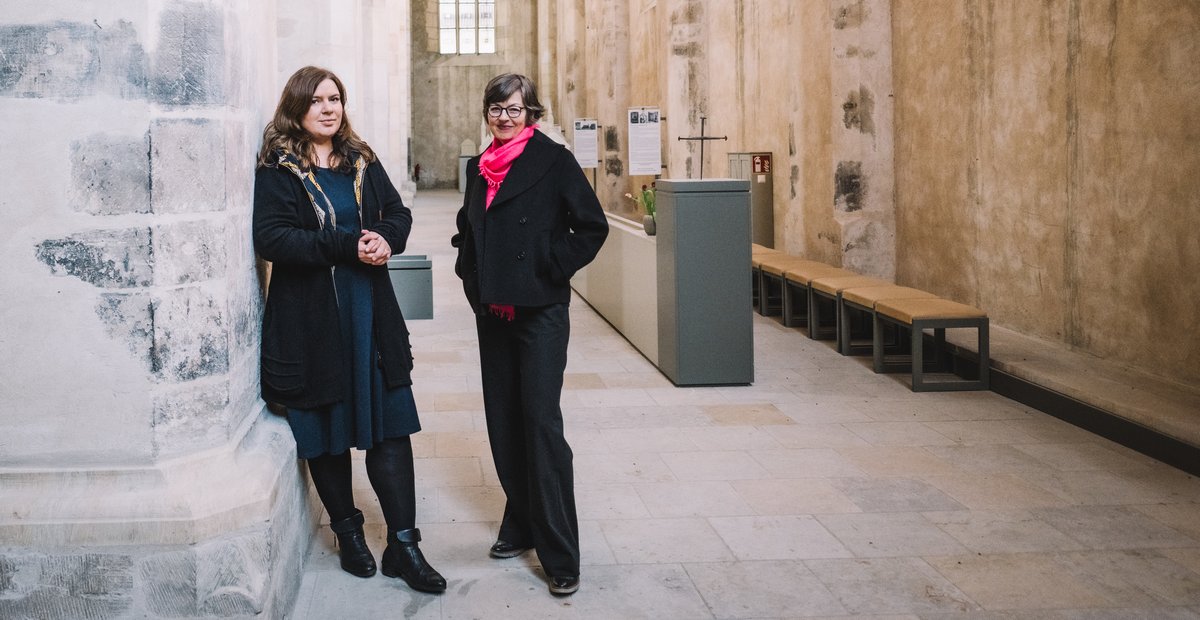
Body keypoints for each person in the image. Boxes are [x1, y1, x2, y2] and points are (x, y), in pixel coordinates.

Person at [253, 66, 445, 594]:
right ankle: (349, 533)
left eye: (335, 98)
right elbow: (273, 238)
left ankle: (404, 545)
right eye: (316, 100)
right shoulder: (278, 168)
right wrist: (343, 245)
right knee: (326, 432)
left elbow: (397, 213)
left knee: (391, 425)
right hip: (311, 321)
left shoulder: (361, 159)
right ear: (296, 107)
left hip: (369, 312)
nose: (328, 108)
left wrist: (385, 237)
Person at [451, 73, 608, 596]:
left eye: (513, 109)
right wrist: (470, 277)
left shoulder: (553, 161)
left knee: (540, 425)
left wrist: (547, 267)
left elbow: (591, 226)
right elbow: (467, 229)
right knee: (503, 422)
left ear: (531, 113)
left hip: (539, 311)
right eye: (495, 109)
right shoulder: (479, 168)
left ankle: (561, 552)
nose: (503, 117)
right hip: (493, 312)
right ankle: (520, 522)